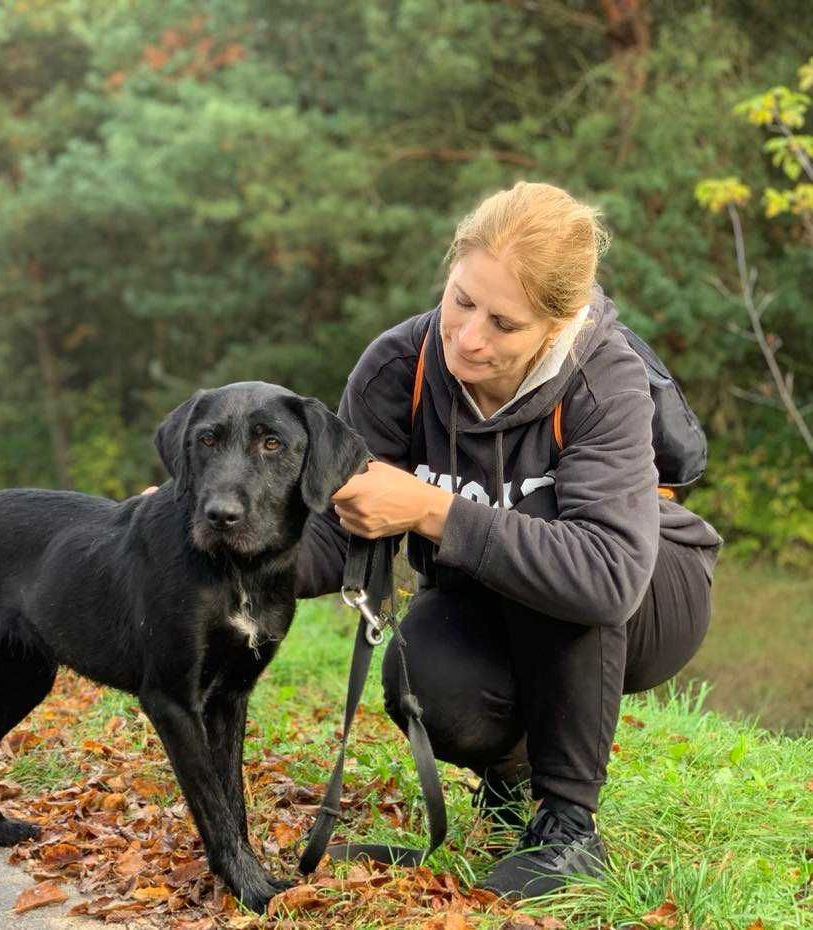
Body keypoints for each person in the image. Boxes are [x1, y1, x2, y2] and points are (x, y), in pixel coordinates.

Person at [294, 181, 721, 898]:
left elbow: (607, 575)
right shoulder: (399, 368)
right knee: (424, 677)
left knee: (553, 546)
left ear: (559, 324)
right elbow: (339, 537)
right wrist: (222, 537)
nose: (468, 337)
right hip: (495, 592)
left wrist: (433, 510)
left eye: (504, 323)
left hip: (648, 592)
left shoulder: (600, 375)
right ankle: (512, 779)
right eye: (461, 301)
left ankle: (570, 828)